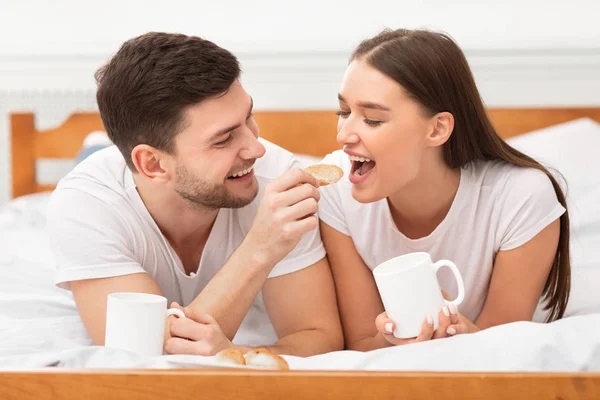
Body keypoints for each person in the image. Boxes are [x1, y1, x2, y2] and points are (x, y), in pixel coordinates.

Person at [46, 32, 343, 357]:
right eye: (223, 139)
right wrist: (260, 248)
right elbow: (144, 360)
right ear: (153, 164)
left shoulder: (280, 181)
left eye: (249, 118)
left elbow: (318, 338)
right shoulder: (87, 206)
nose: (256, 147)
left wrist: (235, 355)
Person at [318, 28, 571, 351]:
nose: (343, 135)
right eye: (344, 112)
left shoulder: (521, 198)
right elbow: (363, 342)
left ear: (437, 129)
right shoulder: (335, 191)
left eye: (372, 120)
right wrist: (391, 337)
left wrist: (462, 336)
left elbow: (505, 352)